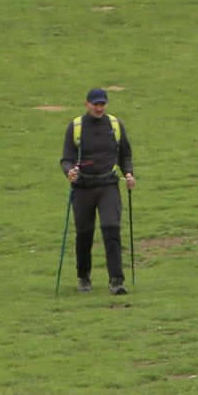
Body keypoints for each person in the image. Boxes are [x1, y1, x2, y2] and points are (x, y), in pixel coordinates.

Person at [60, 88, 137, 294]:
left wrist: (128, 173)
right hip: (83, 187)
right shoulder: (76, 127)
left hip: (108, 185)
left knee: (111, 228)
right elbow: (66, 159)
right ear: (87, 104)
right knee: (84, 233)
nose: (99, 108)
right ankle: (83, 276)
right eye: (96, 104)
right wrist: (69, 171)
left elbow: (125, 155)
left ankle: (116, 281)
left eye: (102, 104)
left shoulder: (115, 125)